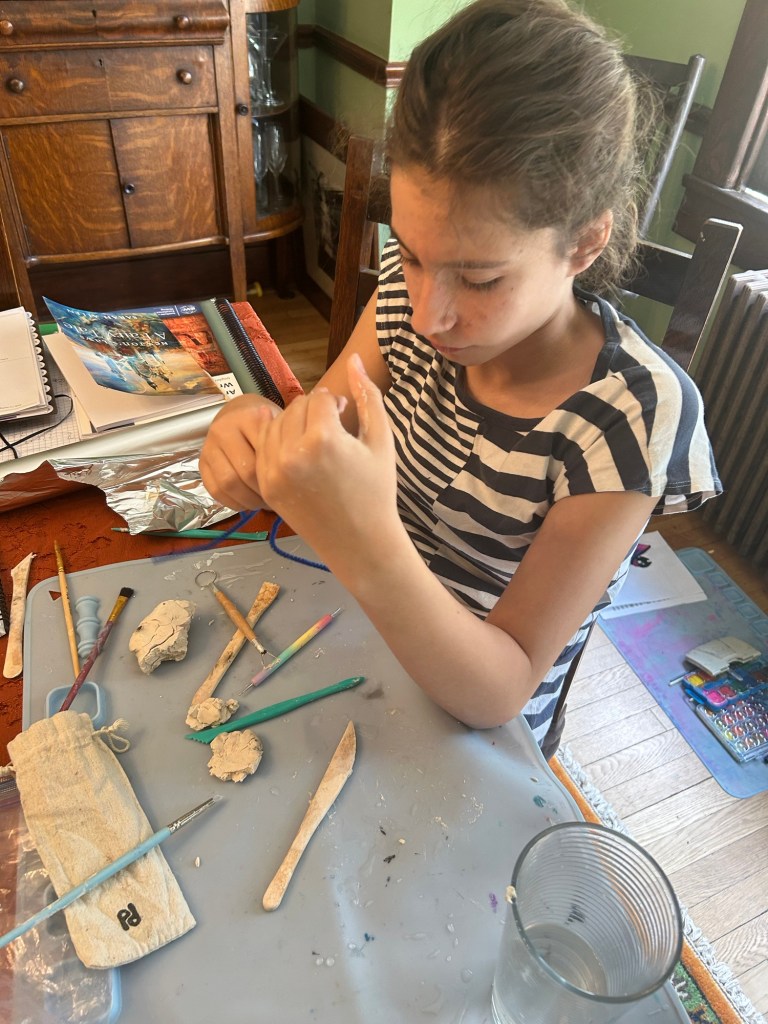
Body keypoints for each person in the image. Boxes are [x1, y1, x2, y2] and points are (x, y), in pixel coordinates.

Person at [200, 0, 721, 754]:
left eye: (479, 279)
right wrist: (256, 439)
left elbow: (502, 690)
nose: (427, 315)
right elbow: (316, 436)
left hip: (473, 731)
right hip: (353, 641)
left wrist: (368, 542)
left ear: (583, 244)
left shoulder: (628, 416)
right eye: (412, 254)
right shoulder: (402, 304)